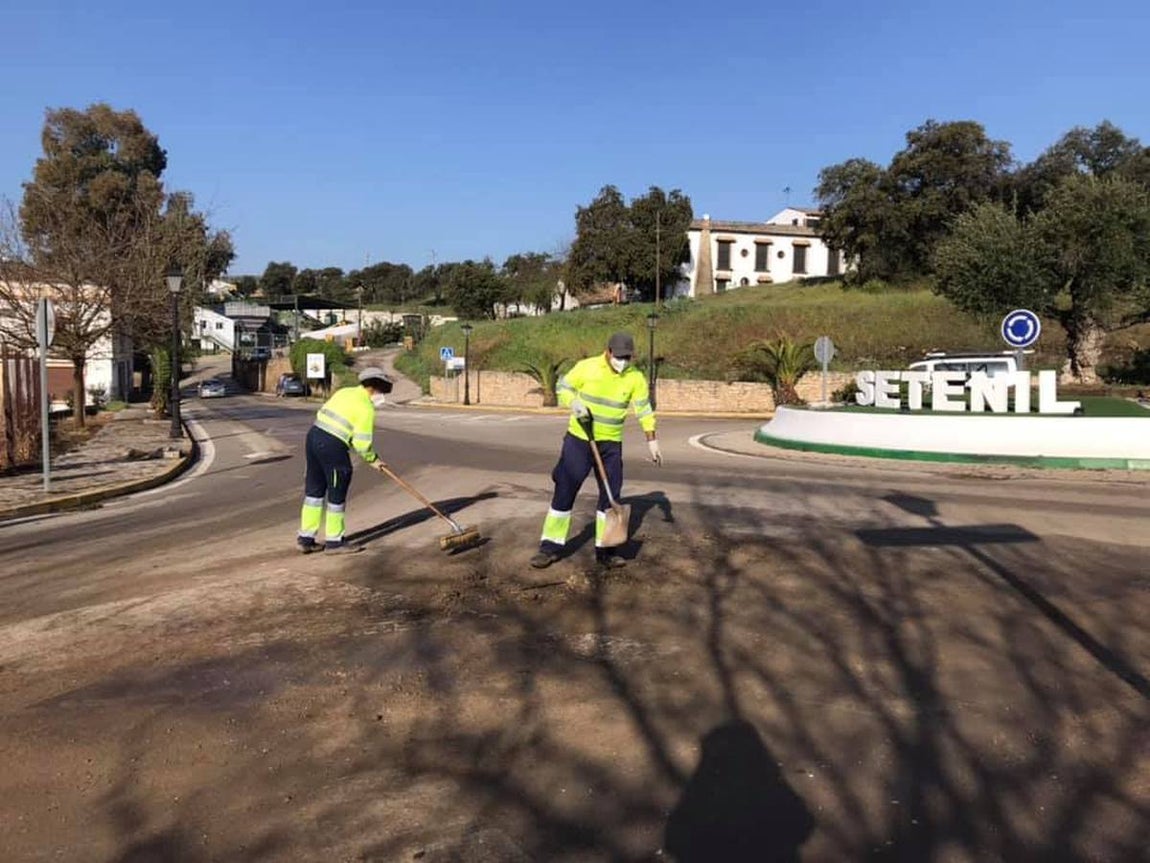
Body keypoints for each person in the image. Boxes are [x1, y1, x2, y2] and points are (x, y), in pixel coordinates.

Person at [530, 331, 662, 570]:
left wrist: (652, 440)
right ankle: (549, 548)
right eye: (619, 356)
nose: (622, 361)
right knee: (566, 489)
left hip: (610, 445)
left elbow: (643, 410)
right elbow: (563, 386)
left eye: (627, 357)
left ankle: (606, 550)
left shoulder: (635, 378)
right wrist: (574, 402)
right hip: (579, 440)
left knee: (611, 497)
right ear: (608, 351)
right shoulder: (587, 367)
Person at [297, 366, 393, 554]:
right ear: (374, 388)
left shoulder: (344, 392)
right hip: (333, 447)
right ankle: (334, 542)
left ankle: (306, 538)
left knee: (314, 492)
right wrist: (374, 460)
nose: (381, 396)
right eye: (382, 391)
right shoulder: (365, 407)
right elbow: (362, 443)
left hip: (314, 437)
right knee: (336, 494)